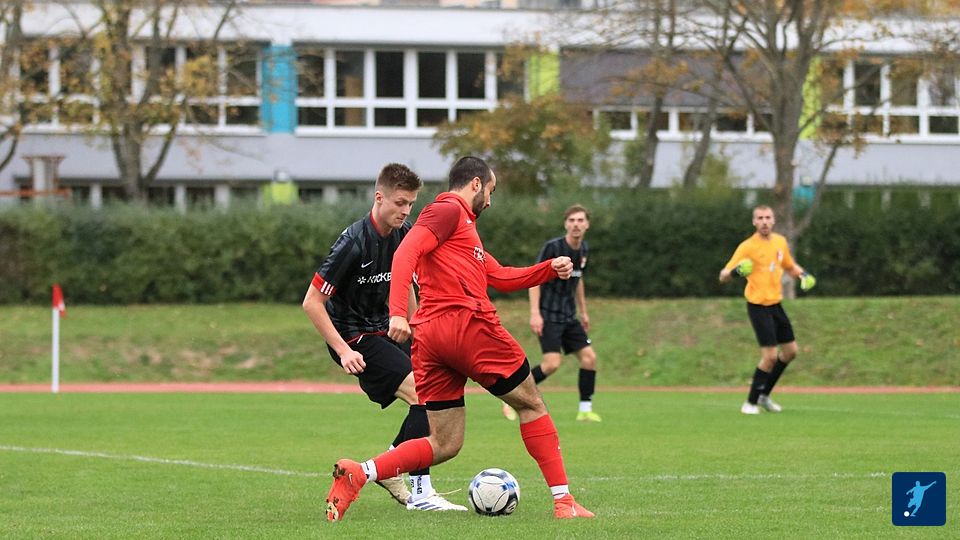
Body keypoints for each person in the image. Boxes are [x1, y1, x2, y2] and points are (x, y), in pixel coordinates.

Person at [323, 156, 595, 521]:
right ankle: (564, 502)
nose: (490, 201)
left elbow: (500, 276)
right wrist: (398, 313)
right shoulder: (448, 209)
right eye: (491, 191)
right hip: (467, 325)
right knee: (531, 404)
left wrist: (548, 269)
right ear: (476, 184)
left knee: (445, 443)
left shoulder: (462, 230)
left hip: (432, 340)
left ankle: (361, 473)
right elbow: (406, 252)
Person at [303, 163, 465, 512]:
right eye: (400, 203)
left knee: (435, 390)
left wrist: (418, 328)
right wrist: (343, 351)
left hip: (388, 328)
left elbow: (404, 283)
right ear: (379, 197)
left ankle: (391, 468)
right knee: (422, 394)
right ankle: (418, 490)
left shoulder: (404, 233)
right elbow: (312, 302)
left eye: (411, 204)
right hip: (354, 337)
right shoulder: (352, 244)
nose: (406, 211)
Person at [502, 204, 601, 422]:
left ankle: (585, 410)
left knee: (589, 358)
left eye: (580, 220)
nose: (576, 224)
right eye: (572, 220)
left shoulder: (584, 249)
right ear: (566, 224)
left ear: (587, 224)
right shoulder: (553, 248)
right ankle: (511, 396)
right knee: (552, 364)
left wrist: (584, 312)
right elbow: (534, 279)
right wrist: (535, 313)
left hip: (569, 316)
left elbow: (578, 280)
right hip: (549, 314)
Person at [719, 205, 816, 415]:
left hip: (775, 304)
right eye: (760, 218)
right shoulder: (747, 247)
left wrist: (803, 275)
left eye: (767, 217)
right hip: (757, 306)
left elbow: (790, 266)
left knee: (790, 352)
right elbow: (723, 275)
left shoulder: (780, 242)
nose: (764, 221)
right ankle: (750, 403)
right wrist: (736, 272)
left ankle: (764, 396)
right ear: (754, 222)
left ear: (773, 220)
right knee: (770, 356)